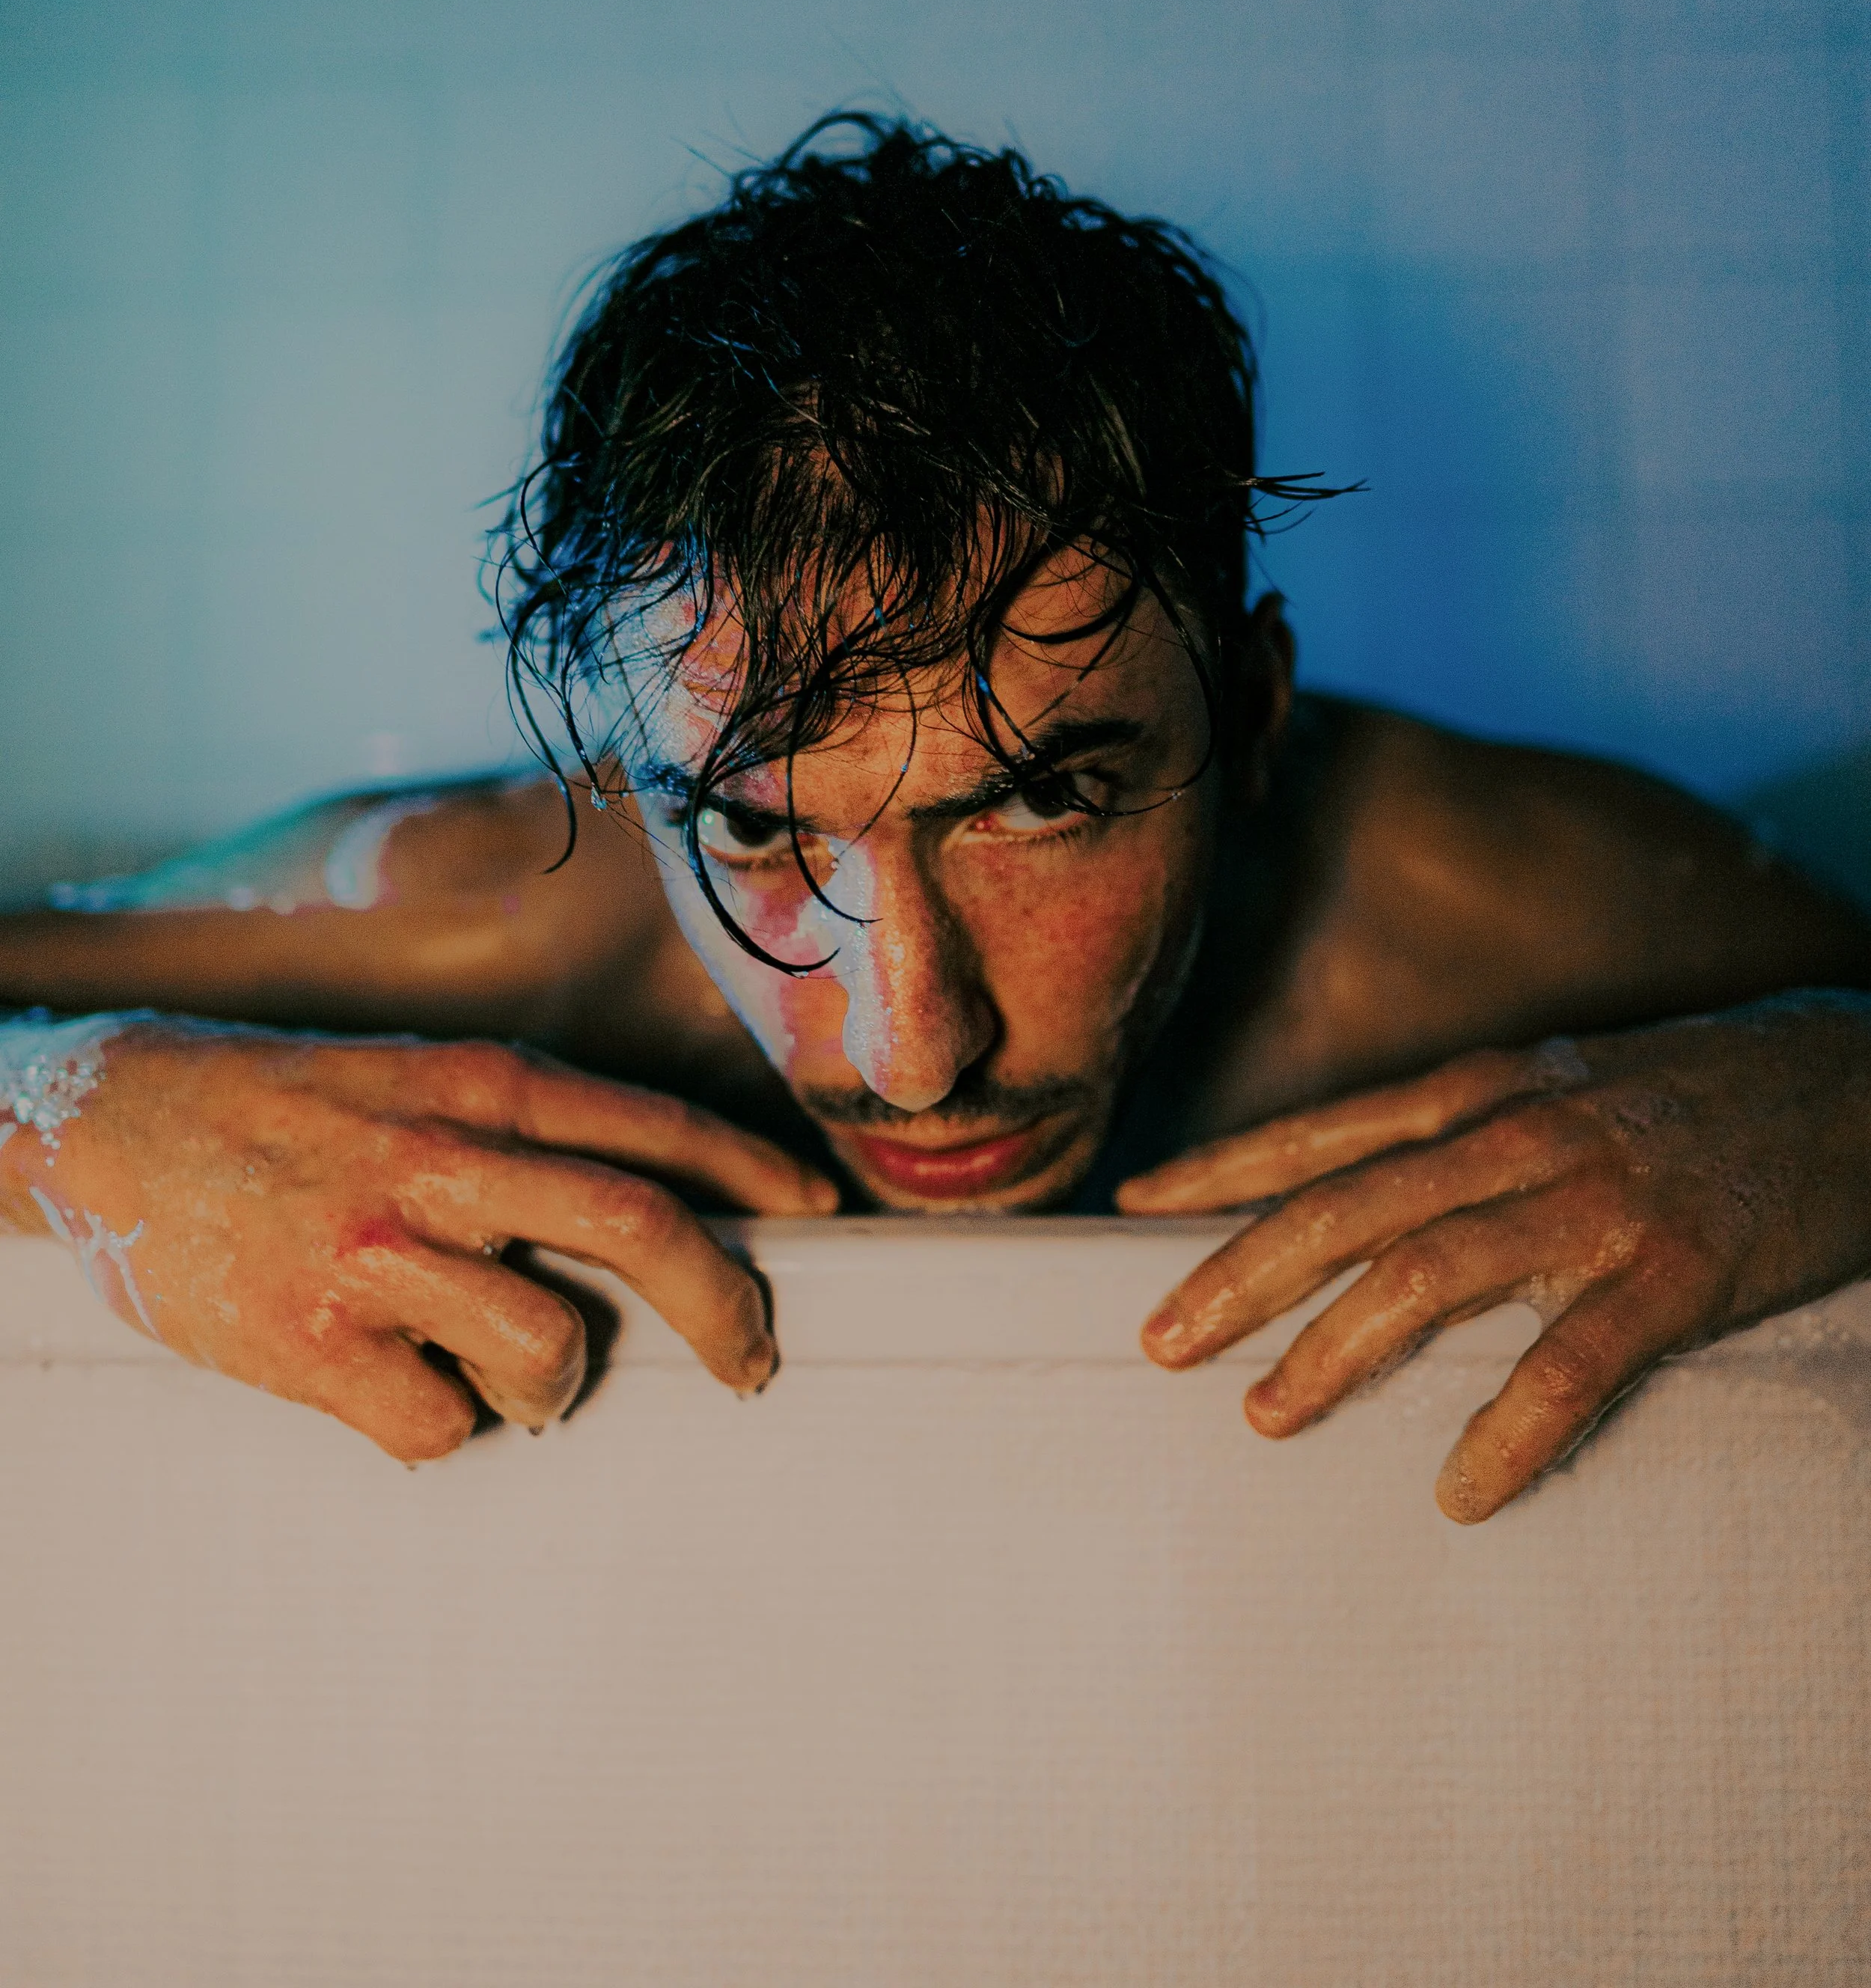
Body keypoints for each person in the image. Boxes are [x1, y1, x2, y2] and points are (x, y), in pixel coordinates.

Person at [4, 114, 1870, 1522]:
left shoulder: (1504, 905)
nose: (913, 1048)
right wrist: (75, 1119)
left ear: (1256, 712)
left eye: (1047, 801)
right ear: (624, 784)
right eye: (749, 829)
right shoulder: (477, 911)